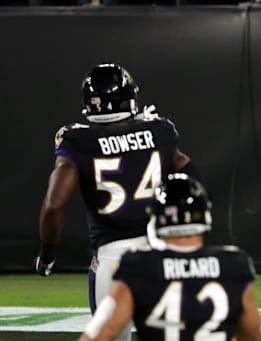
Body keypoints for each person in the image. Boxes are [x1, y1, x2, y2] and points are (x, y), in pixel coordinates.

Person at [35, 63, 203, 341]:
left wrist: (47, 253)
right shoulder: (158, 130)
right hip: (161, 253)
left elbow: (53, 205)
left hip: (112, 258)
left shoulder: (77, 139)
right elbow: (191, 178)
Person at [79, 173, 261, 341]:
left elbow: (98, 334)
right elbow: (252, 335)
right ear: (205, 216)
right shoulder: (233, 264)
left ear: (156, 218)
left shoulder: (138, 266)